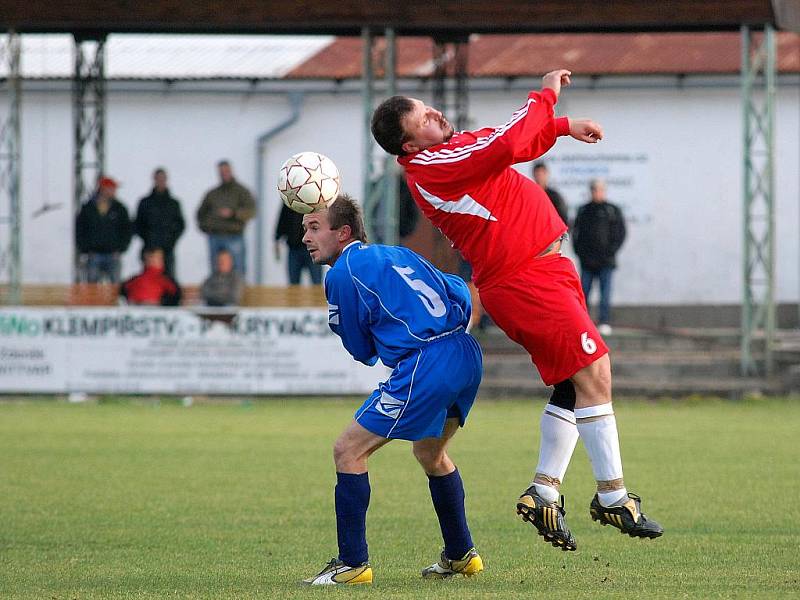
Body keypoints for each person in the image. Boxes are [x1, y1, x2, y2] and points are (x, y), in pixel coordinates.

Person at [371, 69, 662, 552]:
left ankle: (544, 492)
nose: (435, 113)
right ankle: (612, 495)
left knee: (574, 383)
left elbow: (513, 143)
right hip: (524, 278)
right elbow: (507, 142)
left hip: (541, 271)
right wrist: (546, 93)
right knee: (595, 370)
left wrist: (561, 126)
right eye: (423, 116)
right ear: (408, 146)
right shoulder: (435, 164)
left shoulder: (448, 154)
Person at [301, 195, 484, 585]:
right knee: (431, 453)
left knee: (348, 450)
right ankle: (461, 554)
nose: (306, 237)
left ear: (343, 232)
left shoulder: (342, 272)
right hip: (465, 353)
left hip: (427, 363)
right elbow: (460, 291)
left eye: (315, 228)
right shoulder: (396, 253)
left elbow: (358, 347)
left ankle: (352, 565)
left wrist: (382, 345)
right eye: (305, 229)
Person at [572, 179, 627, 335]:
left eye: (600, 189)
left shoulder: (612, 210)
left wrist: (611, 251)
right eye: (594, 189)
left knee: (605, 293)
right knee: (584, 293)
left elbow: (620, 233)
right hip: (587, 261)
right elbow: (576, 234)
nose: (597, 192)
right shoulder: (584, 210)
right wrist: (580, 253)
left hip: (606, 261)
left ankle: (604, 321)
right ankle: (584, 324)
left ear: (604, 191)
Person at [196, 160, 256, 276]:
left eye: (226, 171)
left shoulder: (241, 192)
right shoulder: (212, 194)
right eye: (221, 172)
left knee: (238, 271)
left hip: (234, 236)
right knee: (215, 271)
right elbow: (200, 214)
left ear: (231, 171)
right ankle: (216, 294)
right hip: (215, 237)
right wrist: (207, 228)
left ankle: (237, 294)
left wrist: (233, 214)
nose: (224, 174)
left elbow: (251, 211)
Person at [76, 176, 133, 284]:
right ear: (103, 189)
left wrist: (121, 249)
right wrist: (86, 249)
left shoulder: (120, 209)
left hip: (113, 254)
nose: (114, 191)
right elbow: (80, 230)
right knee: (92, 287)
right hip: (93, 254)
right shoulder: (88, 208)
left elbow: (127, 230)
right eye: (111, 188)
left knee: (115, 286)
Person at [134, 167, 185, 278]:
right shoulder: (145, 203)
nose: (161, 181)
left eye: (163, 179)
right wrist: (148, 239)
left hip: (168, 250)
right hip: (149, 250)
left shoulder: (173, 204)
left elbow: (180, 225)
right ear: (154, 180)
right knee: (148, 282)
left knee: (168, 283)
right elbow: (137, 224)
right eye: (158, 178)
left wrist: (171, 240)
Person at [274, 203, 322, 285]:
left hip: (312, 249)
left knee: (316, 282)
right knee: (293, 285)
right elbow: (282, 220)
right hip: (294, 248)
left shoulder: (314, 199)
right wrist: (277, 241)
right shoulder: (290, 201)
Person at [533, 161, 569, 226]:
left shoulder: (554, 196)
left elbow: (562, 217)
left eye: (542, 174)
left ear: (547, 174)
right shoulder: (530, 195)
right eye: (537, 174)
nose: (539, 177)